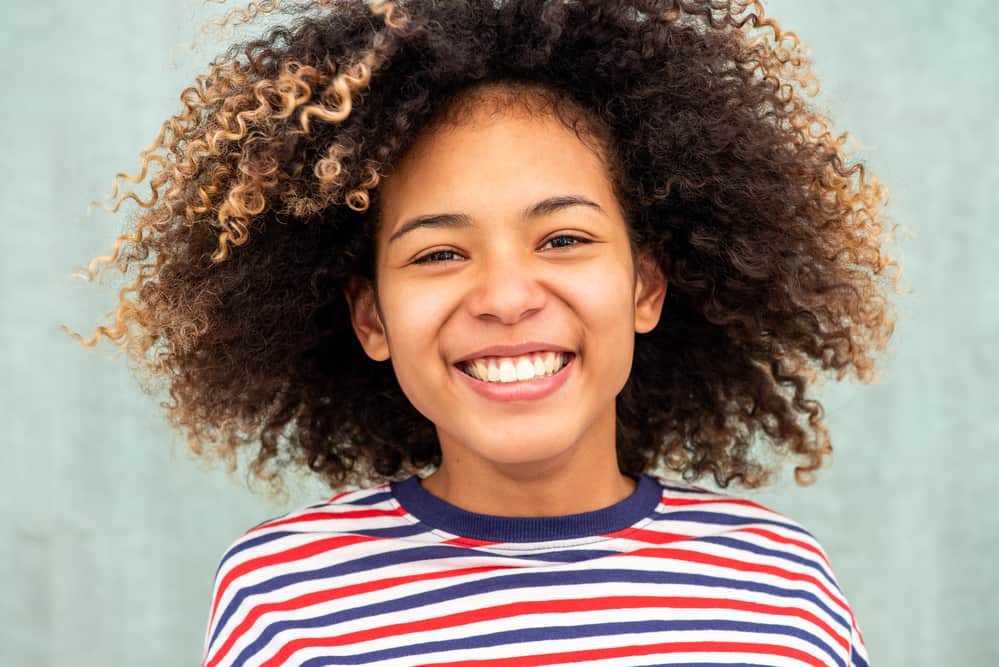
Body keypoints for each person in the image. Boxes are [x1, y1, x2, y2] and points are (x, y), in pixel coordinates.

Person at [65, 0, 902, 664]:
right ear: (371, 317)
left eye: (564, 239)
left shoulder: (777, 584)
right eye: (437, 252)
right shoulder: (287, 593)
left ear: (645, 285)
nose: (505, 295)